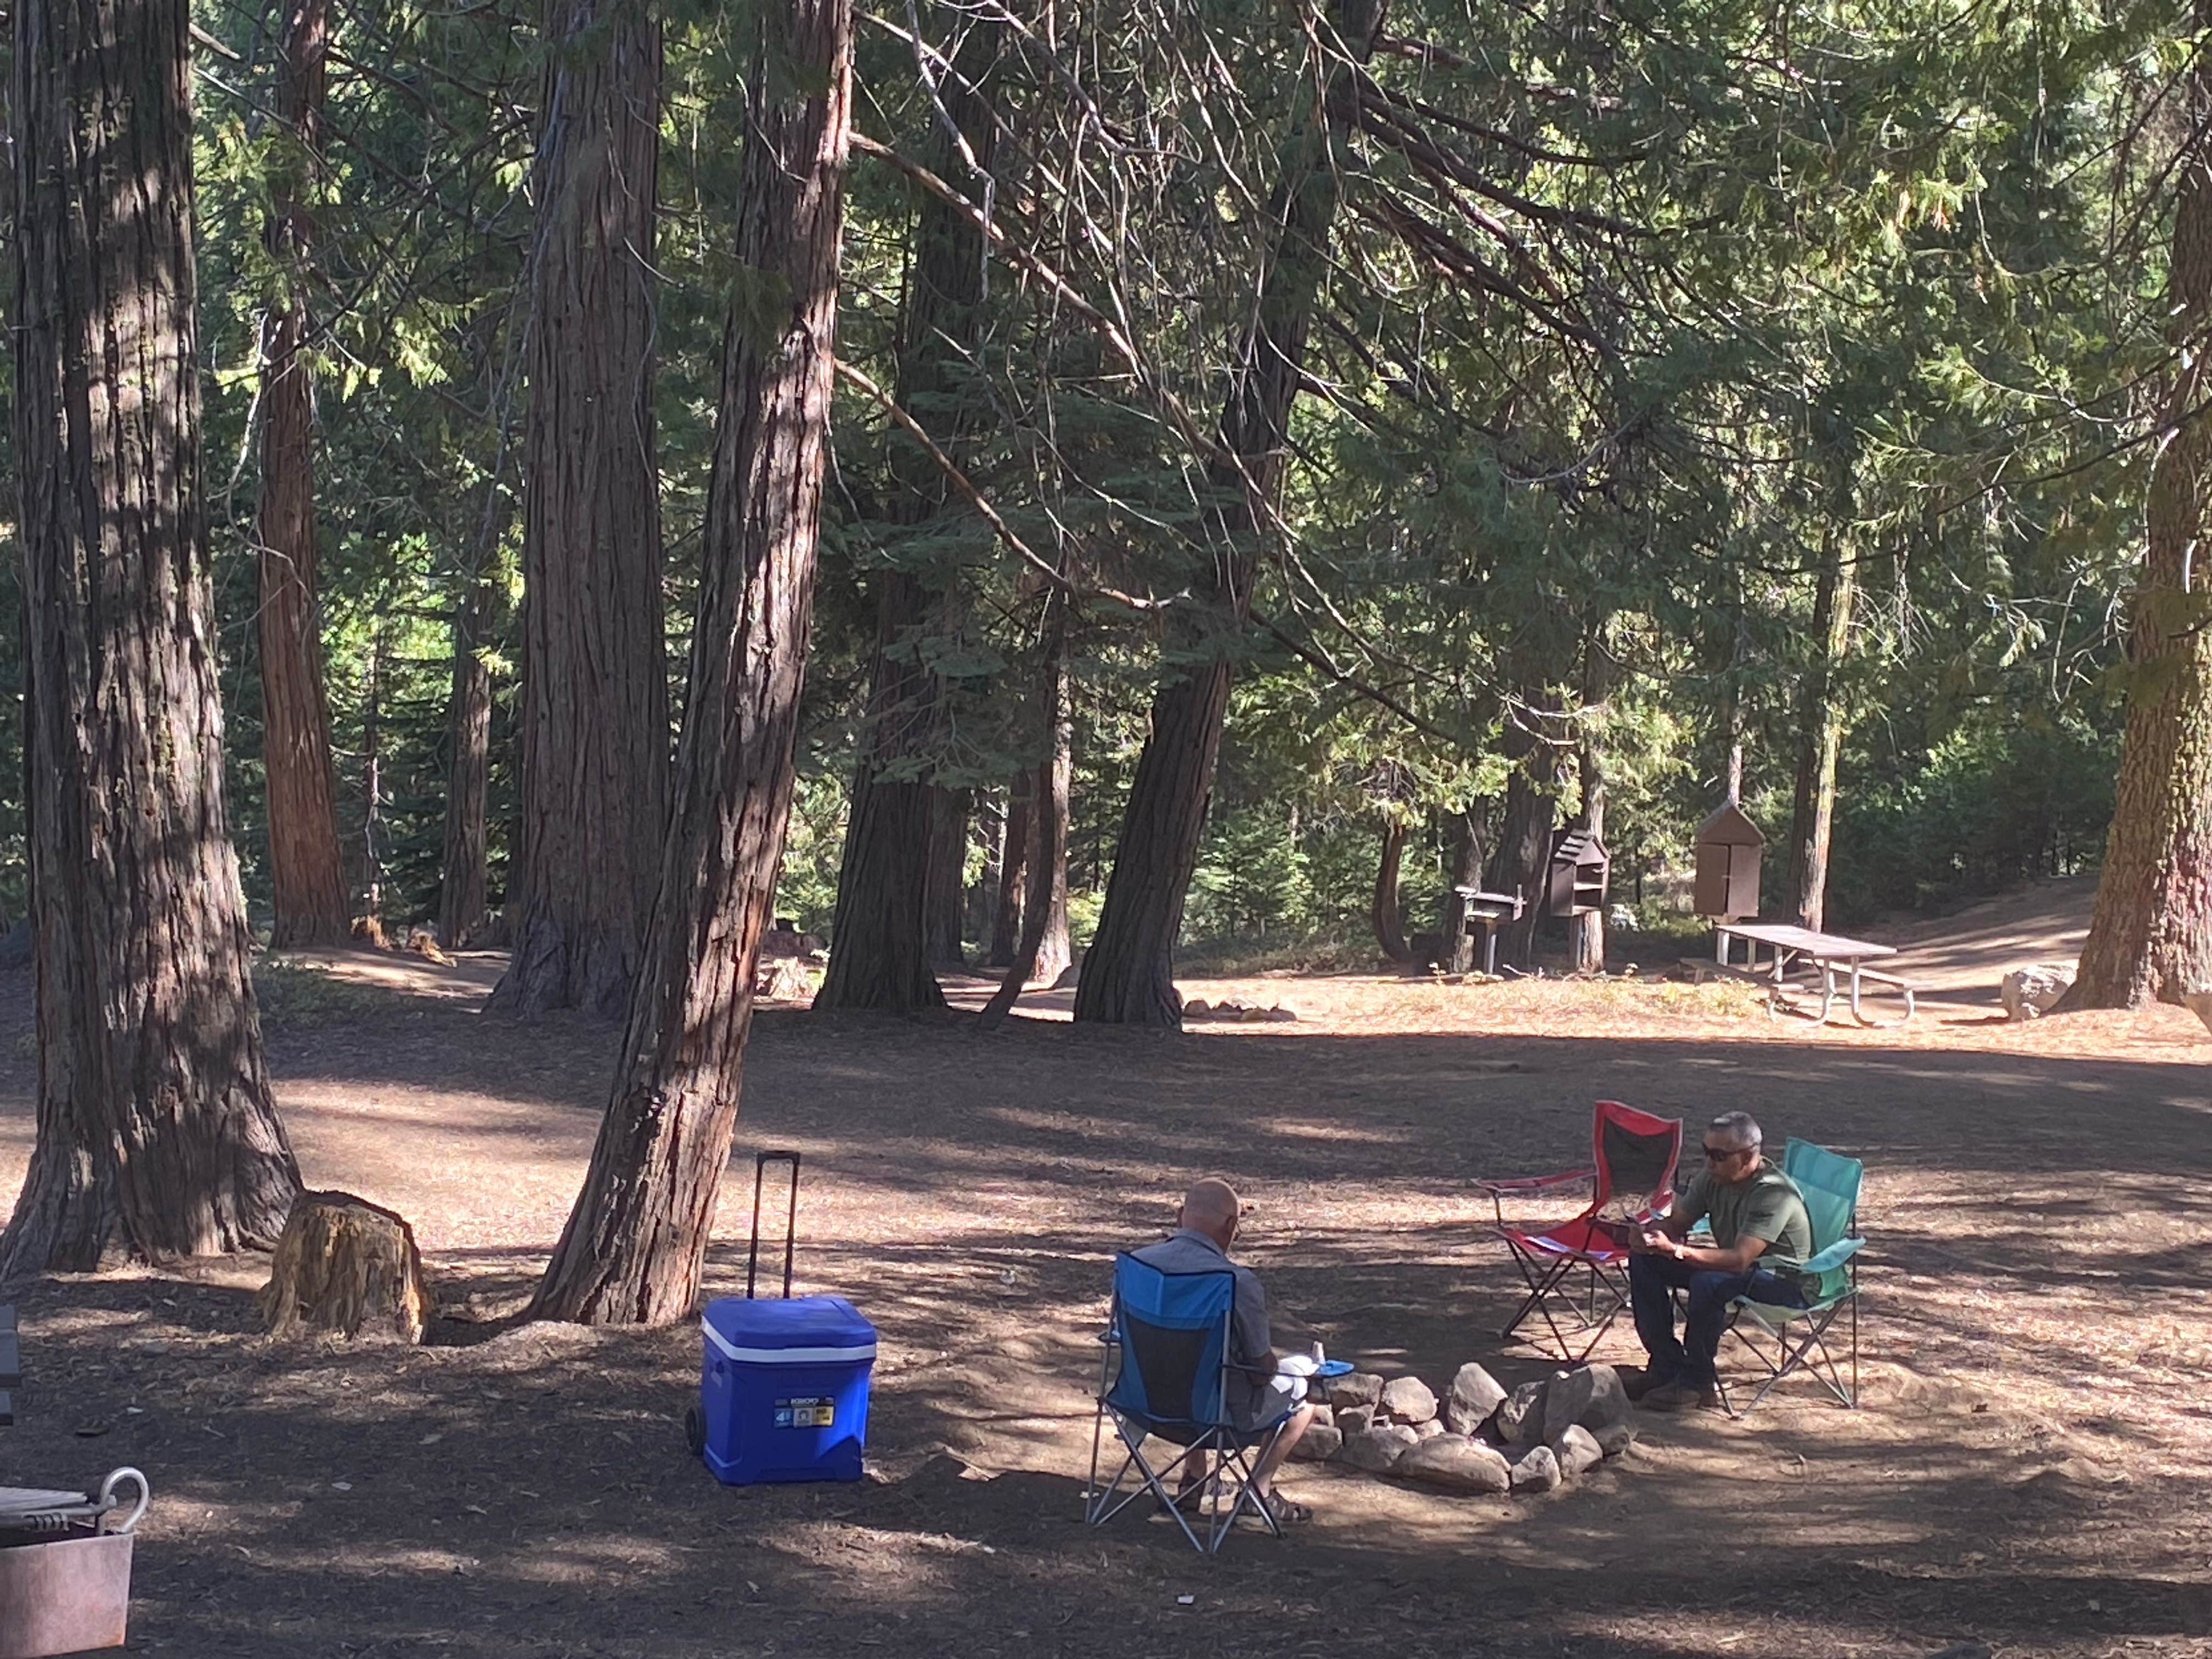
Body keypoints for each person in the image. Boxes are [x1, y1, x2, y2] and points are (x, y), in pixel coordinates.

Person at [1131, 1177, 1317, 1525]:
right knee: (1306, 1392)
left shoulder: (1138, 1265)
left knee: (1192, 1366)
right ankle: (1257, 1491)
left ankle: (1194, 1479)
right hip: (1214, 1416)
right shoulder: (1235, 1282)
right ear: (1231, 1225)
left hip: (1143, 1404)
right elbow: (1262, 1372)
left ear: (1179, 1216)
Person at [1627, 1110, 1812, 1411]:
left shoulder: (1773, 1194)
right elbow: (1678, 1224)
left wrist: (1676, 1251)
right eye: (1706, 1152)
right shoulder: (1713, 1177)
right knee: (1644, 1260)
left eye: (1719, 1155)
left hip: (1785, 1283)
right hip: (1742, 1273)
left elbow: (1739, 1260)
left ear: (1749, 1156)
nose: (1710, 1162)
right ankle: (1665, 1367)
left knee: (1709, 1282)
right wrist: (1651, 1236)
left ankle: (1697, 1385)